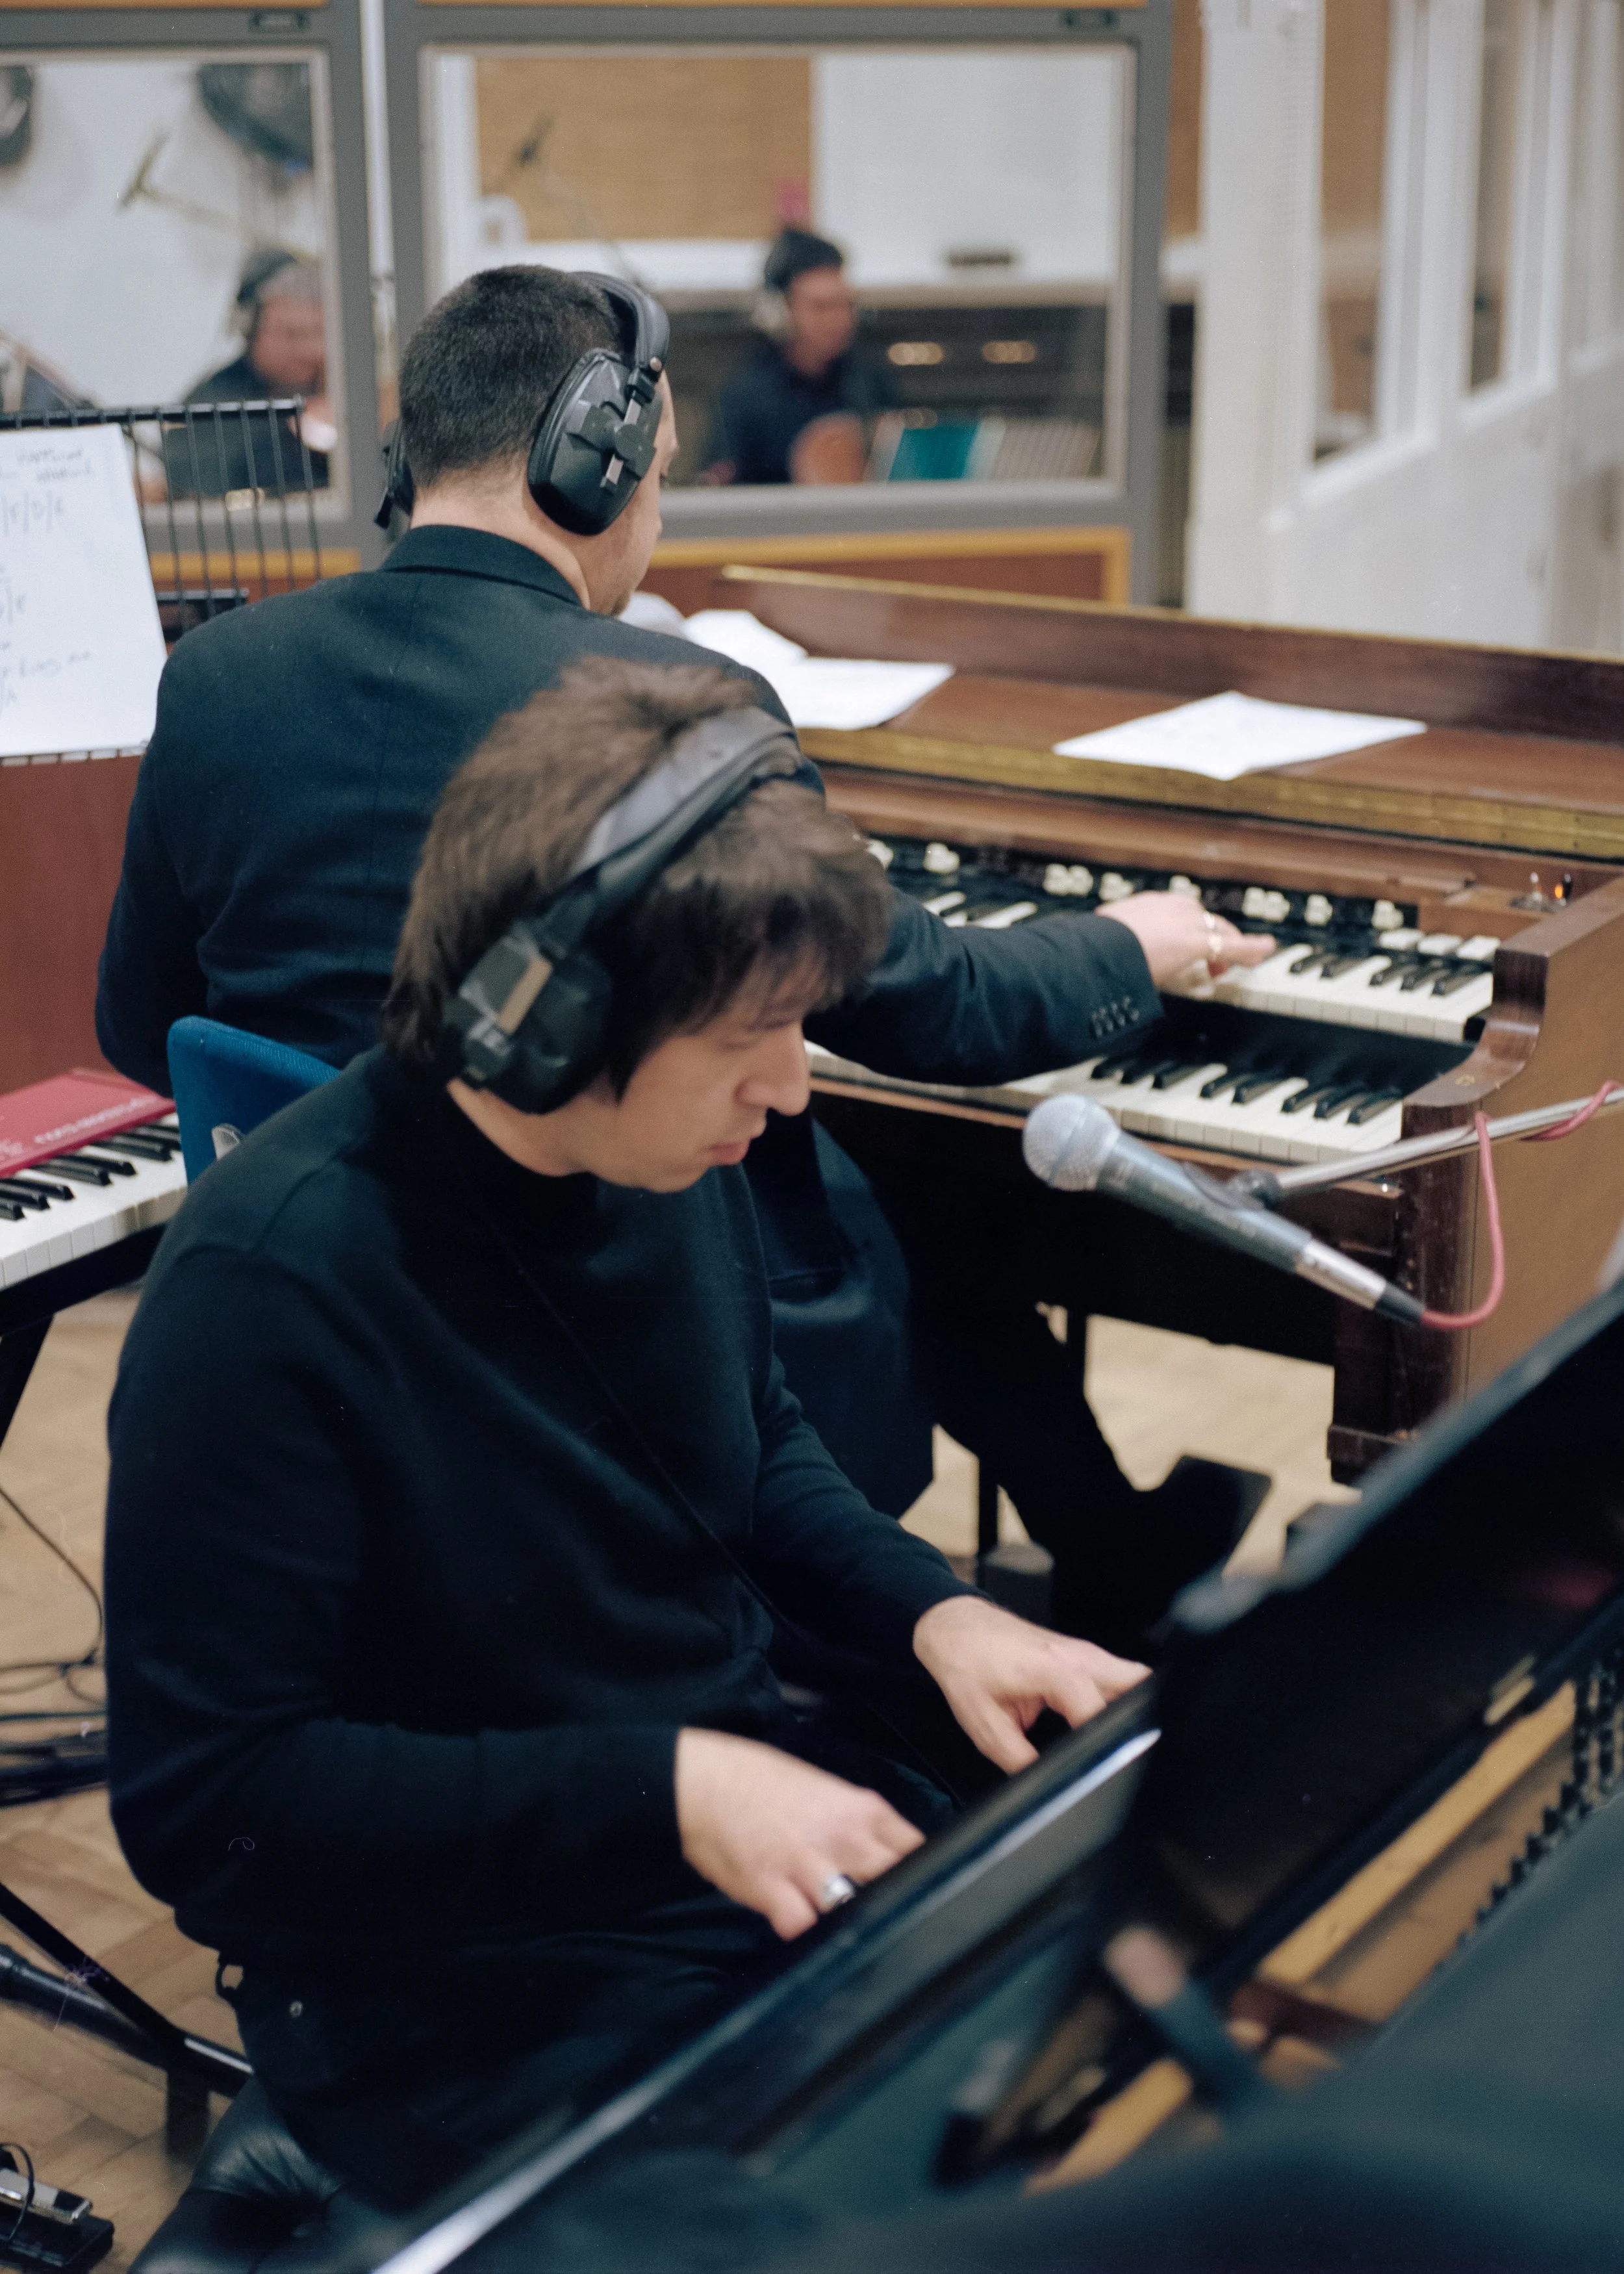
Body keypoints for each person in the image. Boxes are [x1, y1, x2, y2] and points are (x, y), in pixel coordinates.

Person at [95, 262, 1276, 1649]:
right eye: (653, 477)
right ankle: (1043, 1568)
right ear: (587, 467)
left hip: (340, 1287)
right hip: (613, 1294)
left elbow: (141, 1024)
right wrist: (1128, 939)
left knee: (869, 1168)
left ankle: (1102, 1536)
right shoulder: (672, 721)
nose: (651, 517)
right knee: (903, 1178)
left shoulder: (220, 672)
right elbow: (939, 1010)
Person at [103, 658, 1147, 2208]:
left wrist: (931, 1613)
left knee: (1104, 1972)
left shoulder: (667, 1163)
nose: (790, 1091)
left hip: (701, 1830)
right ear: (545, 1022)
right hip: (452, 1979)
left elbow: (755, 1442)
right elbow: (215, 1808)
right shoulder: (270, 1288)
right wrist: (670, 1789)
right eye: (753, 1039)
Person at [699, 229, 897, 486]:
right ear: (780, 313)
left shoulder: (871, 379)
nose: (839, 320)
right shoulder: (744, 395)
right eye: (821, 307)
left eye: (845, 305)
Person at [178, 247, 333, 493]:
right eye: (292, 334)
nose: (310, 351)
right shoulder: (209, 405)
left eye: (319, 333)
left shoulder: (344, 395)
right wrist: (292, 436)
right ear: (250, 330)